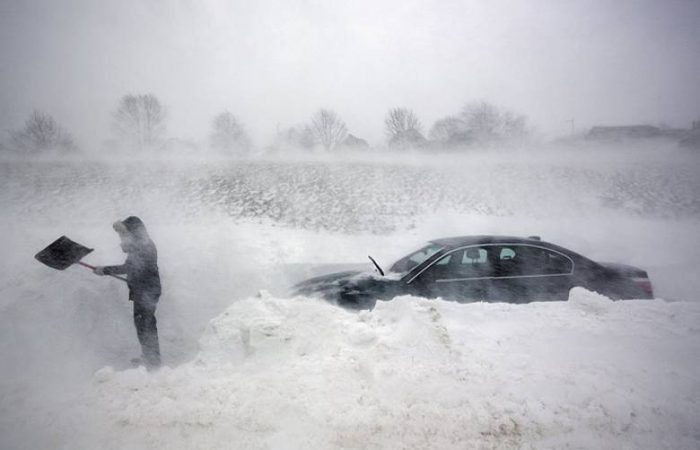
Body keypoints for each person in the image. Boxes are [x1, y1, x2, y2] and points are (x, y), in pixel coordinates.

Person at [94, 216, 161, 369]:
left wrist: (105, 270)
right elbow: (131, 264)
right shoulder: (139, 245)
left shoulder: (145, 246)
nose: (123, 236)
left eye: (126, 232)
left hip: (148, 291)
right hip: (142, 290)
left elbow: (130, 267)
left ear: (135, 232)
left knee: (146, 324)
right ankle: (149, 356)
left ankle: (153, 361)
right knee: (142, 324)